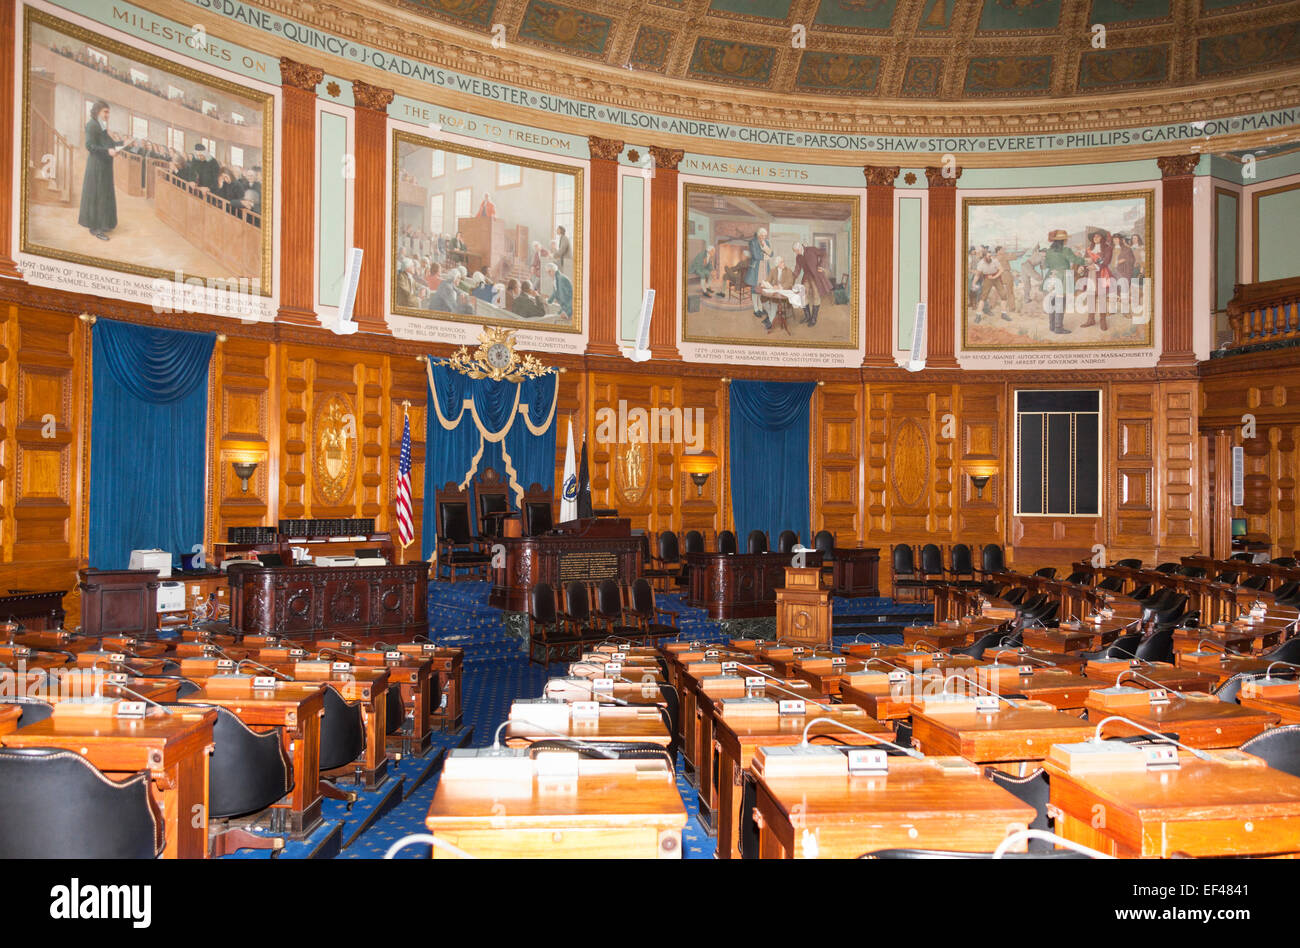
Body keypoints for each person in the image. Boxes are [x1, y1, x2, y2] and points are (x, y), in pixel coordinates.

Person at [78, 101, 133, 241]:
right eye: (105, 112)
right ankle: (95, 228)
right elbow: (90, 146)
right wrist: (108, 151)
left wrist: (122, 145)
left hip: (104, 166)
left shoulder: (101, 125)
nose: (108, 115)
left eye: (108, 112)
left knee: (104, 194)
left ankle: (104, 224)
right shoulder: (92, 125)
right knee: (98, 195)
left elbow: (109, 144)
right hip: (96, 166)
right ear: (97, 111)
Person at [1042, 229, 1086, 335]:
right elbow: (1075, 260)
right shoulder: (1066, 250)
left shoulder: (1048, 251)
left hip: (1051, 276)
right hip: (1063, 278)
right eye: (1065, 239)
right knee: (1060, 303)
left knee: (1052, 301)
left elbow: (1046, 265)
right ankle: (1058, 328)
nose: (1066, 241)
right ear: (1063, 240)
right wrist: (1085, 260)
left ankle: (1052, 326)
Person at [792, 240, 832, 327]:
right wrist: (792, 278)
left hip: (816, 276)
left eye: (796, 251)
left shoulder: (811, 249)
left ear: (799, 249)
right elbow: (797, 269)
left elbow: (824, 254)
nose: (795, 253)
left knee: (816, 296)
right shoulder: (798, 257)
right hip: (806, 277)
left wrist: (821, 265)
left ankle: (813, 319)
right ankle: (807, 317)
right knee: (803, 295)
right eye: (794, 252)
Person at [745, 228, 773, 319]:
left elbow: (771, 254)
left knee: (762, 288)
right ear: (758, 235)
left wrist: (765, 246)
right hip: (756, 269)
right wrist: (765, 256)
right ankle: (756, 309)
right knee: (754, 289)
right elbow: (756, 255)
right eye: (762, 236)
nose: (763, 237)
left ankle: (761, 308)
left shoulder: (766, 242)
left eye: (765, 236)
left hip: (764, 268)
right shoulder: (752, 242)